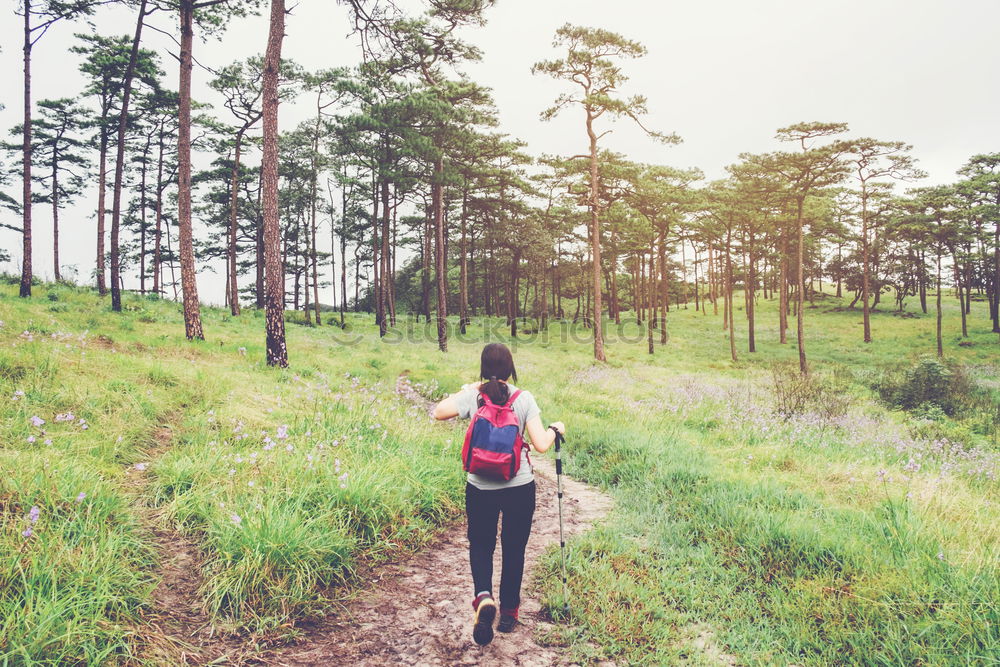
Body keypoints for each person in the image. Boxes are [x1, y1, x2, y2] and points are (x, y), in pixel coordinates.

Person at [433, 342, 566, 646]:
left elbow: (439, 411)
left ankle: (483, 598)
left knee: (480, 545)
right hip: (519, 486)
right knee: (514, 548)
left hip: (479, 486)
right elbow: (542, 444)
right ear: (510, 368)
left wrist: (465, 389)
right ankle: (508, 613)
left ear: (483, 368)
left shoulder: (475, 396)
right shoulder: (524, 398)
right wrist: (556, 429)